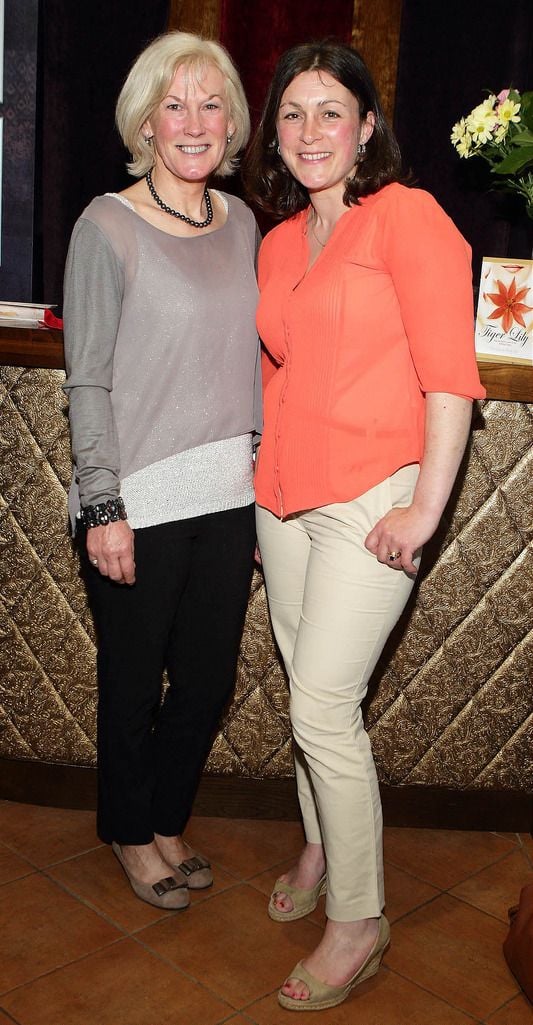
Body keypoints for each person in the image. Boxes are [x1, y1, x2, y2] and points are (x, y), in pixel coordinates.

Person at [245, 40, 485, 1011]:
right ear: (275, 133)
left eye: (328, 112)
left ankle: (358, 917)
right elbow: (276, 371)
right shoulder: (274, 241)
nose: (309, 132)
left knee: (319, 705)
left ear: (365, 126)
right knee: (306, 683)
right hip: (284, 498)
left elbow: (448, 376)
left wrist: (421, 507)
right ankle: (317, 840)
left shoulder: (407, 217)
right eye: (291, 114)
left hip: (372, 497)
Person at [63, 31, 260, 910]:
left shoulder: (244, 221)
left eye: (210, 103)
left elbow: (249, 364)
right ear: (144, 122)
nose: (193, 121)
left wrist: (263, 484)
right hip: (135, 500)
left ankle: (167, 814)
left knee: (209, 680)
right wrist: (102, 503)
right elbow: (89, 376)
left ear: (232, 125)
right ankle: (130, 832)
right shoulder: (105, 224)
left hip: (228, 497)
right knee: (134, 683)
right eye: (173, 104)